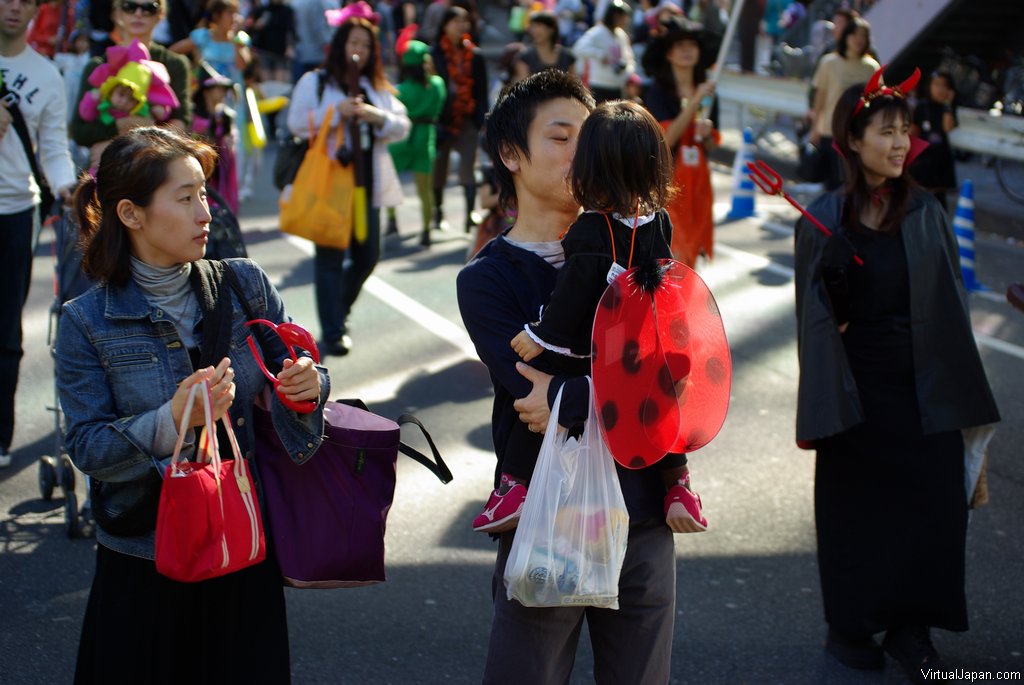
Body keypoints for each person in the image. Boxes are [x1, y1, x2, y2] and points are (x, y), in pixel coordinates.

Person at [57, 126, 330, 683]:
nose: (206, 212)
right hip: (144, 553)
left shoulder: (244, 283)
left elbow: (301, 377)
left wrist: (309, 387)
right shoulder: (86, 321)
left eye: (204, 193)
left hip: (244, 539)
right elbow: (87, 447)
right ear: (130, 214)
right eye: (185, 198)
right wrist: (170, 422)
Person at [457, 69, 680, 684]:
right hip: (549, 515)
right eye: (561, 137)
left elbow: (675, 369)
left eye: (591, 135)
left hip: (644, 514)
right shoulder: (487, 278)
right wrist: (593, 390)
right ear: (511, 154)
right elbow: (532, 397)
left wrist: (572, 392)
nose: (583, 152)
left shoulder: (643, 245)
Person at [794, 70, 1000, 682]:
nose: (900, 142)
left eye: (905, 131)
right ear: (852, 140)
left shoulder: (927, 210)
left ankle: (914, 632)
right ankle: (851, 625)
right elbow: (814, 323)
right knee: (854, 509)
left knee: (932, 507)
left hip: (926, 383)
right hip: (857, 389)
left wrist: (964, 396)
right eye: (886, 131)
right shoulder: (824, 218)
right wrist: (832, 281)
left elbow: (953, 308)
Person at [475, 98, 707, 537]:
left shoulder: (590, 229)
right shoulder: (658, 220)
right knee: (664, 403)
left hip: (592, 340)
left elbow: (572, 297)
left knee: (541, 388)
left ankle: (514, 486)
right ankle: (679, 485)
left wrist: (542, 335)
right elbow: (670, 279)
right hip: (647, 339)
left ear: (592, 168)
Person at [287, 16, 410, 356]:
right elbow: (296, 123)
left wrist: (376, 116)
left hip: (366, 184)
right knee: (329, 258)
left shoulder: (375, 87)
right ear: (340, 45)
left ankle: (337, 311)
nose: (359, 50)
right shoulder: (317, 82)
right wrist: (336, 111)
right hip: (330, 185)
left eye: (366, 45)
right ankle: (333, 330)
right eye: (353, 42)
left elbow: (402, 125)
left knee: (367, 255)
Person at [0, 0, 77, 470]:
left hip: (15, 210)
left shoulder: (47, 75)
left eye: (25, 0)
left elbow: (53, 146)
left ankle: (0, 435)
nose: (13, 7)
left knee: (6, 330)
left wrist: (68, 188)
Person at [70, 0, 192, 169]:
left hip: (156, 170)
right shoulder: (97, 66)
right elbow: (79, 131)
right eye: (129, 6)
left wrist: (119, 141)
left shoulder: (175, 64)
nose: (138, 14)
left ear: (160, 15)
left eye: (149, 8)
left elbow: (180, 125)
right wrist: (121, 127)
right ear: (116, 14)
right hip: (106, 171)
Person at [642, 16, 720, 267]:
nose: (687, 51)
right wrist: (694, 103)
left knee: (692, 256)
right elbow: (666, 139)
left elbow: (708, 148)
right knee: (670, 254)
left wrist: (707, 135)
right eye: (680, 45)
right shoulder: (657, 92)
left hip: (698, 185)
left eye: (692, 45)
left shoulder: (708, 93)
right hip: (668, 183)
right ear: (668, 53)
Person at [430, 5, 487, 233]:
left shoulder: (475, 55)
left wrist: (480, 119)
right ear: (445, 25)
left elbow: (481, 91)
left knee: (467, 169)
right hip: (441, 121)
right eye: (455, 21)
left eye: (464, 21)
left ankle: (469, 215)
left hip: (467, 119)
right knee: (439, 169)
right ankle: (438, 212)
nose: (460, 26)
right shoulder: (433, 54)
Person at [808, 15, 879, 190]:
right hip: (831, 131)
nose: (858, 40)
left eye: (863, 36)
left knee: (855, 185)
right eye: (854, 34)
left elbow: (877, 101)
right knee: (833, 186)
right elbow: (820, 96)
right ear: (846, 36)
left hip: (859, 134)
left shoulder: (872, 67)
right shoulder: (829, 63)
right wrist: (815, 127)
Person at [387, 38, 446, 247]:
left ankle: (392, 219)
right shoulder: (438, 84)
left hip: (400, 140)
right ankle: (426, 231)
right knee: (425, 191)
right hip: (425, 137)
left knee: (390, 182)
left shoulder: (399, 90)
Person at [910, 70, 958, 211]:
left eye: (944, 86)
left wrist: (948, 104)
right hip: (922, 157)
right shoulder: (921, 106)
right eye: (936, 85)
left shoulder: (948, 108)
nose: (940, 90)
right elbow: (913, 131)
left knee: (939, 201)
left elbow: (947, 127)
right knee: (918, 198)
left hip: (941, 158)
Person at [572, 0, 634, 102]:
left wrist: (627, 71)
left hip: (617, 85)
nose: (625, 20)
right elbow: (578, 48)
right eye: (621, 16)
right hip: (599, 84)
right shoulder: (597, 32)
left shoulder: (621, 35)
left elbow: (629, 58)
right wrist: (600, 55)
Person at [511, 10, 576, 83]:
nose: (534, 30)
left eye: (539, 25)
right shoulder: (525, 57)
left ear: (551, 29)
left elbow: (573, 83)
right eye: (533, 26)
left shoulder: (566, 57)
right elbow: (522, 86)